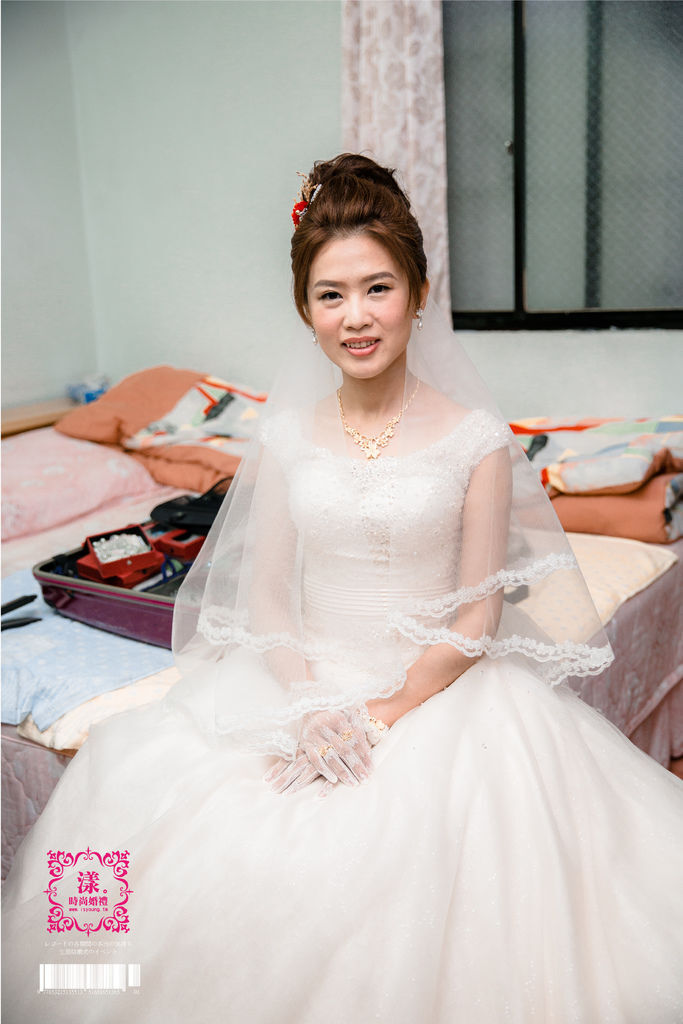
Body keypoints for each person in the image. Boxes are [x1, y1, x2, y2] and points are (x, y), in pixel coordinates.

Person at [3, 154, 683, 1023]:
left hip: (436, 691)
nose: (355, 317)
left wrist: (380, 713)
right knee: (122, 792)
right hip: (298, 680)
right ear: (305, 310)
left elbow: (478, 608)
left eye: (377, 288)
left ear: (417, 294)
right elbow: (267, 595)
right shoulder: (285, 435)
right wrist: (306, 704)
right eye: (330, 295)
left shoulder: (475, 438)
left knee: (386, 862)